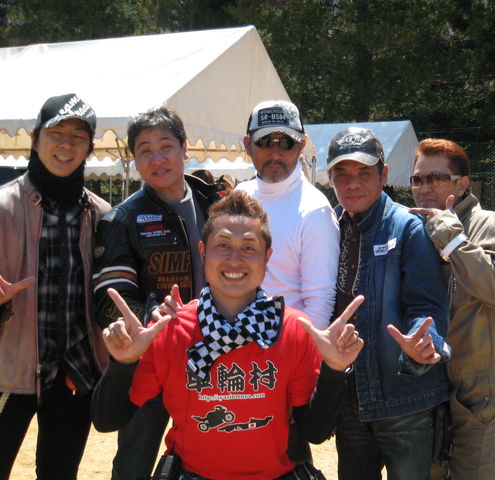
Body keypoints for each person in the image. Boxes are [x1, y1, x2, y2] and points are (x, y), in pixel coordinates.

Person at [91, 190, 364, 480]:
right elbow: (106, 420)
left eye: (249, 248)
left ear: (267, 257)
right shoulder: (171, 330)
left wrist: (334, 370)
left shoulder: (294, 330)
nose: (235, 259)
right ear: (203, 252)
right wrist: (122, 364)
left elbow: (314, 432)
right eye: (222, 245)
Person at [92, 107, 221, 480]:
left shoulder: (214, 205)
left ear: (185, 148)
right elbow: (109, 299)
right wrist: (153, 320)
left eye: (166, 146)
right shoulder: (122, 219)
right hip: (151, 362)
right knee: (134, 462)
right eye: (145, 150)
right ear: (134, 160)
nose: (157, 158)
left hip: (211, 354)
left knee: (211, 456)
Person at [326, 126, 451, 480]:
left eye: (364, 173)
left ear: (383, 175)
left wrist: (422, 345)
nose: (352, 184)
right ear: (330, 178)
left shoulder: (407, 228)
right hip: (352, 401)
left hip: (406, 400)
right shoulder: (329, 227)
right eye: (341, 174)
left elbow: (427, 307)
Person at [0, 93, 111, 480]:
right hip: (9, 370)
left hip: (74, 372)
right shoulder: (4, 207)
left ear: (90, 148)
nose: (66, 145)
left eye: (78, 137)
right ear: (35, 139)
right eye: (56, 133)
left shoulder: (100, 214)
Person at [409, 139, 495, 480]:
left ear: (462, 185)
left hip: (485, 396)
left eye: (436, 178)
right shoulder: (421, 229)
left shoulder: (486, 224)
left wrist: (450, 236)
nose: (424, 187)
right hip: (436, 389)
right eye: (417, 179)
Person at [237, 100, 339, 330]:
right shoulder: (239, 195)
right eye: (264, 141)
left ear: (301, 145)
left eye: (286, 142)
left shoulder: (315, 210)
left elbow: (320, 303)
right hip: (233, 338)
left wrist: (299, 350)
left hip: (285, 344)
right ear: (247, 144)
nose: (275, 153)